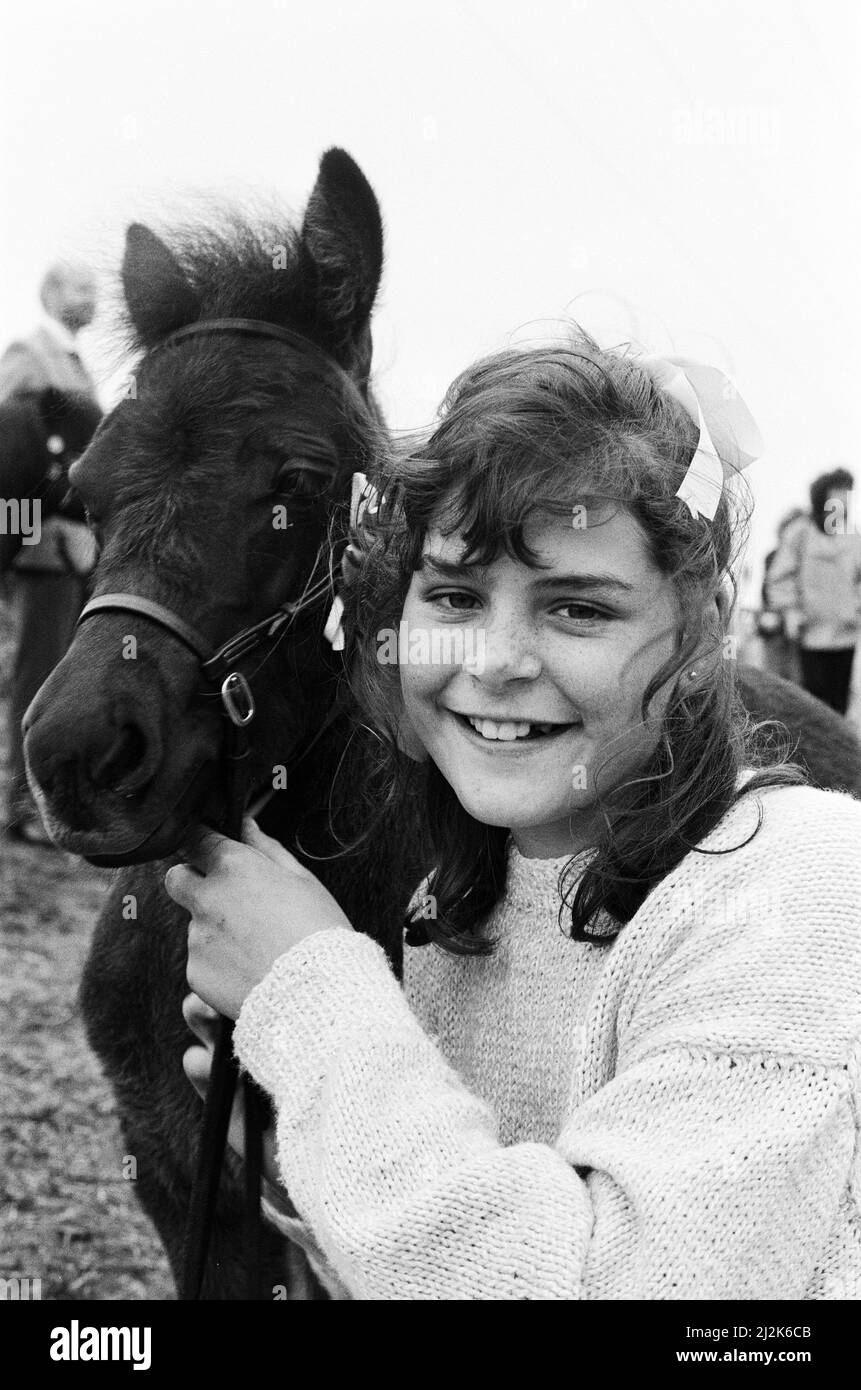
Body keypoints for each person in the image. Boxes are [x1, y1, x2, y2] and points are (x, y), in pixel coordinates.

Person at [166, 335, 861, 1300]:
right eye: (452, 594)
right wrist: (319, 1151)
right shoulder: (460, 908)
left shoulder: (805, 890)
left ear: (699, 635)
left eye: (577, 609)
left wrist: (316, 999)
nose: (491, 661)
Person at [0, 261, 100, 843]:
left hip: (77, 548)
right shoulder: (27, 353)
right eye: (82, 285)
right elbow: (10, 448)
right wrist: (33, 521)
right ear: (51, 293)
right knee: (35, 675)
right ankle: (20, 804)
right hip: (40, 543)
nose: (94, 298)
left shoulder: (78, 365)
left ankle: (47, 800)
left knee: (59, 678)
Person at [765, 468, 861, 715]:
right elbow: (779, 578)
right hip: (811, 635)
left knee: (838, 707)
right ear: (822, 496)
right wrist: (790, 611)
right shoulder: (800, 532)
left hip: (845, 634)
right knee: (813, 706)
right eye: (838, 492)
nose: (843, 499)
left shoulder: (852, 536)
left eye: (847, 493)